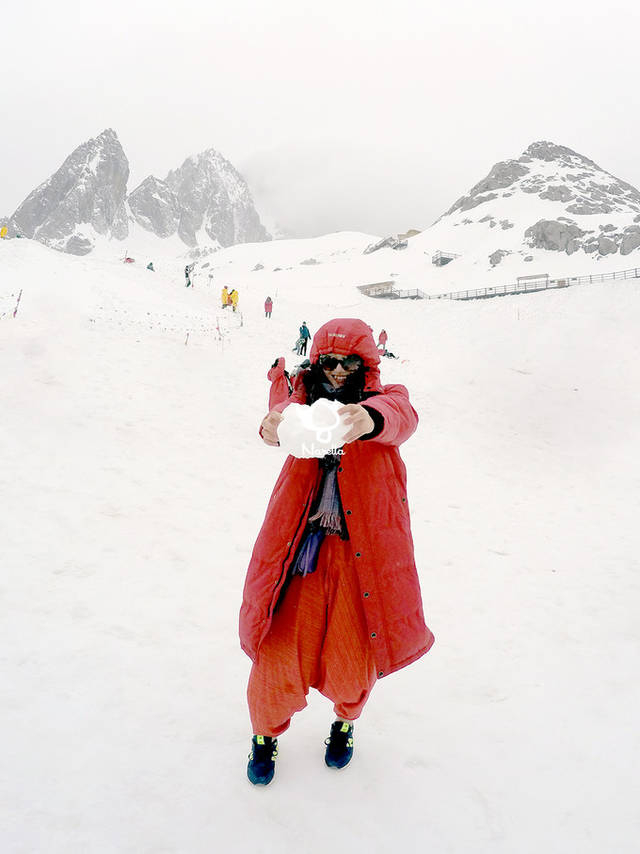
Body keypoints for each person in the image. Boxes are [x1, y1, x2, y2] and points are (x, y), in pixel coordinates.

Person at [240, 318, 434, 786]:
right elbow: (283, 412)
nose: (340, 370)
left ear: (367, 364)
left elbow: (401, 414)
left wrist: (370, 420)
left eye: (351, 362)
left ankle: (344, 723)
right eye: (330, 361)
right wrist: (273, 424)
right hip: (302, 553)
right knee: (280, 653)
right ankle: (265, 735)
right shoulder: (305, 408)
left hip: (358, 558)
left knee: (353, 658)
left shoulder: (384, 401)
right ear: (317, 362)